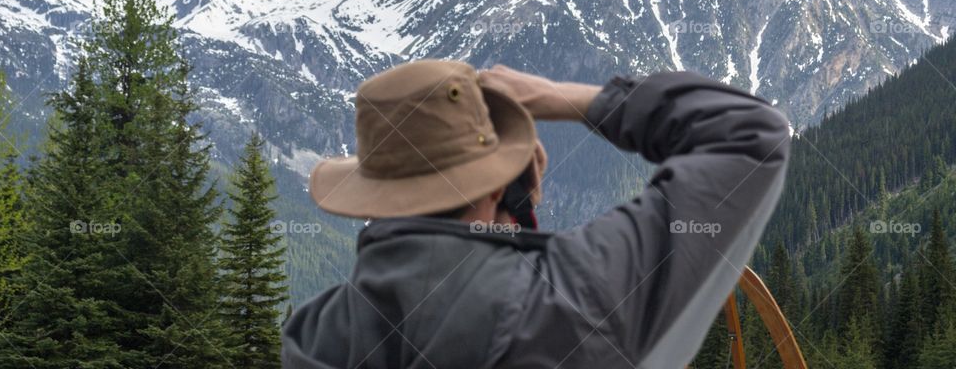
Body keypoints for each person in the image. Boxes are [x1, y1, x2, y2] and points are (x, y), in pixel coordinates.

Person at [282, 60, 791, 368]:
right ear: (501, 182)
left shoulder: (317, 335)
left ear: (373, 193)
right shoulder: (582, 293)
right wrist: (568, 98)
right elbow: (750, 135)